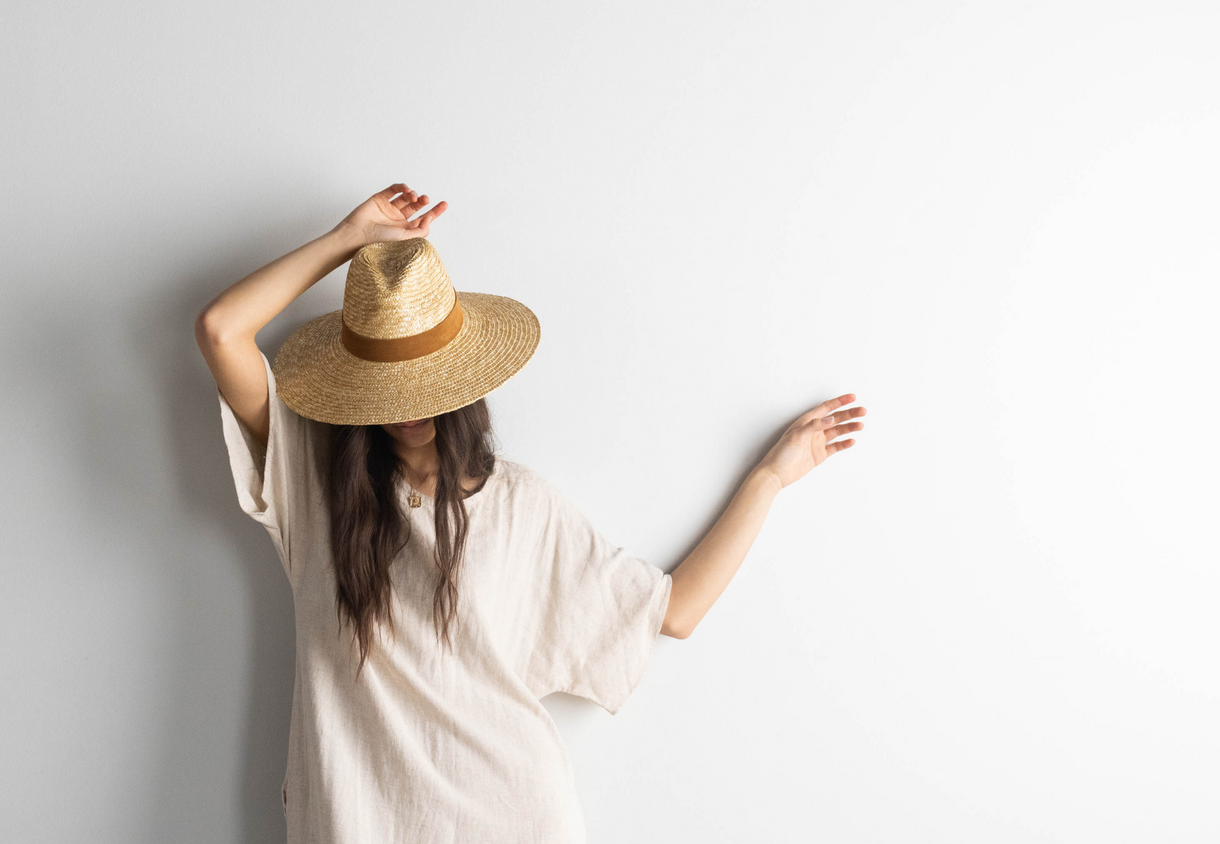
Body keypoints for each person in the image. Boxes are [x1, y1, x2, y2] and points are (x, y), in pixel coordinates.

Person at [193, 183, 867, 843]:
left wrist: (771, 477)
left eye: (424, 379)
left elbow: (674, 611)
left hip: (511, 816)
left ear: (461, 375)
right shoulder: (316, 487)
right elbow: (222, 330)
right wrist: (349, 240)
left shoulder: (522, 507)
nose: (408, 408)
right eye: (386, 385)